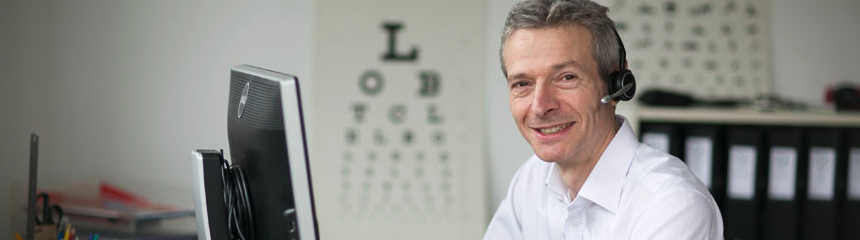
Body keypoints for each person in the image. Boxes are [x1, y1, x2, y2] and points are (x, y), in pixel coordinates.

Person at [483, 0, 724, 239]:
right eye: (522, 84)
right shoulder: (532, 177)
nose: (540, 106)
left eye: (566, 78)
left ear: (617, 85)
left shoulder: (672, 204)